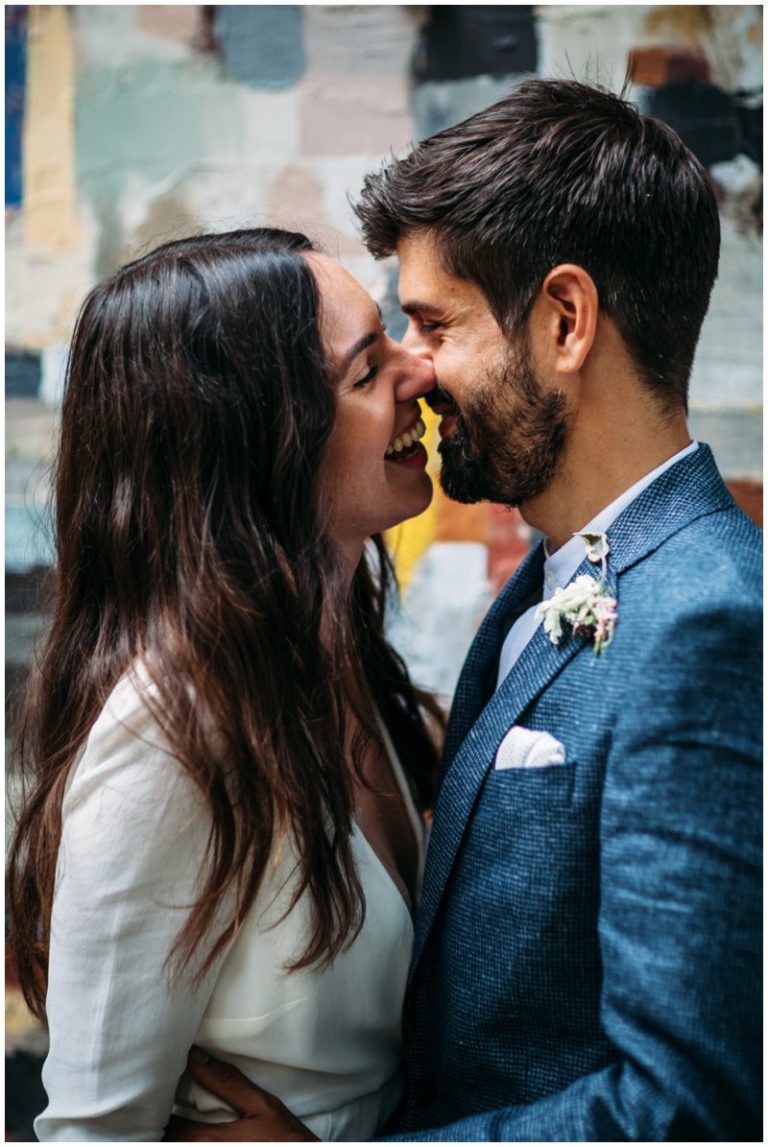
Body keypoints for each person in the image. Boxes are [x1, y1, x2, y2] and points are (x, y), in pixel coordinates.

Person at [178, 80, 762, 1141]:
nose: (412, 369)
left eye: (434, 322)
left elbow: (688, 1110)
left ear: (566, 322)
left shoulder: (707, 622)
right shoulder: (545, 582)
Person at [6, 227, 447, 1141]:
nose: (421, 372)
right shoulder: (171, 735)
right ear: (260, 449)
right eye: (367, 372)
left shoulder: (345, 659)